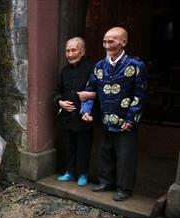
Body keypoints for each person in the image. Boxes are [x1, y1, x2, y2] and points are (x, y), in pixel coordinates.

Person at [80, 27, 147, 201]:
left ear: (123, 42)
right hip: (106, 118)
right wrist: (86, 111)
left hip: (126, 121)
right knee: (106, 152)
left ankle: (124, 188)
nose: (107, 45)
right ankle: (105, 182)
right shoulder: (100, 66)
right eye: (105, 41)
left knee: (126, 156)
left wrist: (131, 119)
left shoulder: (136, 65)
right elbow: (90, 90)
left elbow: (140, 96)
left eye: (112, 41)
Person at [53, 37, 94, 187]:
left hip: (84, 117)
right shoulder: (64, 71)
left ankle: (82, 173)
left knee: (83, 147)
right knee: (68, 146)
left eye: (73, 50)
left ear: (82, 51)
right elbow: (57, 91)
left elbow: (97, 90)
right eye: (67, 51)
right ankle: (69, 172)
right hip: (66, 117)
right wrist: (60, 102)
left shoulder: (91, 68)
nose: (69, 54)